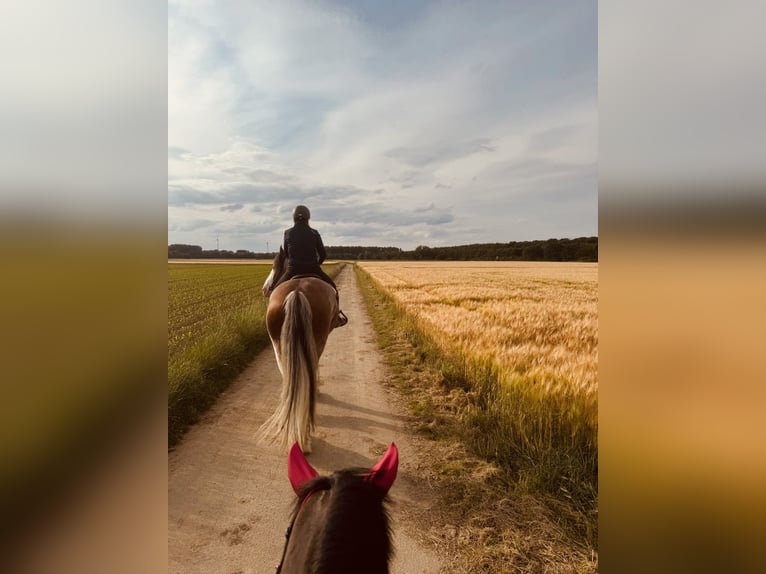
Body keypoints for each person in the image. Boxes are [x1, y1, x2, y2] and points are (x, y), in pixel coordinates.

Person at [271, 205, 348, 327]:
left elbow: (286, 254)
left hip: (292, 270)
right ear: (308, 217)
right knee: (333, 289)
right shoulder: (314, 233)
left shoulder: (287, 233)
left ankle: (273, 320)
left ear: (294, 218)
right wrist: (317, 264)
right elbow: (323, 253)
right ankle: (336, 317)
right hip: (313, 269)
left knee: (274, 291)